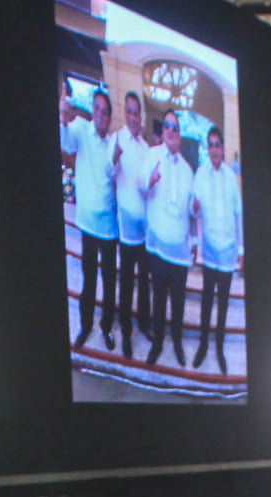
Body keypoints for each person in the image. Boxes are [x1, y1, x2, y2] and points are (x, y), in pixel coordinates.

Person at [60, 88, 121, 352]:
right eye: (96, 109)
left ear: (109, 117)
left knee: (109, 282)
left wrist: (116, 161)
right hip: (86, 223)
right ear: (92, 111)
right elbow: (66, 143)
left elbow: (112, 175)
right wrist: (62, 115)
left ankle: (106, 327)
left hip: (109, 227)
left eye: (105, 111)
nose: (100, 114)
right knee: (88, 280)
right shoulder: (80, 129)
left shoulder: (113, 143)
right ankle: (85, 326)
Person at [140, 110, 195, 369]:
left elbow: (191, 210)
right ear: (163, 132)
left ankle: (177, 344)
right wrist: (149, 180)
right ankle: (158, 343)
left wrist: (193, 241)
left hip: (180, 251)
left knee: (179, 302)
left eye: (175, 127)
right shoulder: (152, 155)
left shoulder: (187, 169)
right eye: (167, 126)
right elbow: (140, 185)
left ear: (180, 135)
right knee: (159, 299)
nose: (171, 131)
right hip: (159, 247)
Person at [188, 124, 241, 374]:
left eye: (218, 145)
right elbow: (192, 209)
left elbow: (238, 214)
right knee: (207, 302)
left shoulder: (231, 177)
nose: (214, 150)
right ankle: (203, 345)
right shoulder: (200, 174)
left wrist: (241, 249)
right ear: (207, 150)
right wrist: (194, 208)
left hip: (228, 253)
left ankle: (219, 348)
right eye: (210, 145)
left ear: (223, 148)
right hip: (209, 253)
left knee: (222, 304)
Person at [113, 92, 158, 361]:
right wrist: (114, 159)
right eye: (128, 111)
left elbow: (148, 188)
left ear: (140, 117)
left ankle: (143, 323)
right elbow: (109, 174)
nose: (132, 117)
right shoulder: (116, 140)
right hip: (125, 229)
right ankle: (127, 333)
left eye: (135, 112)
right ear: (125, 114)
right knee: (127, 282)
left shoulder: (146, 149)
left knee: (144, 281)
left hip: (145, 230)